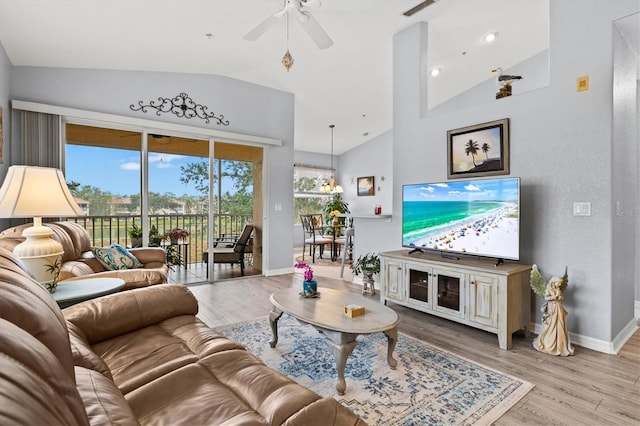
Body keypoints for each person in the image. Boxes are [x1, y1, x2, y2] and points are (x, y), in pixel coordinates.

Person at [533, 277, 575, 356]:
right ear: (553, 282)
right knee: (550, 324)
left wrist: (560, 297)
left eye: (560, 284)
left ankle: (560, 344)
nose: (559, 285)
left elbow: (561, 297)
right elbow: (546, 297)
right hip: (551, 308)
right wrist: (553, 297)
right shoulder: (548, 289)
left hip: (558, 307)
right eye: (558, 283)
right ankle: (548, 342)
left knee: (560, 324)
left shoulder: (558, 289)